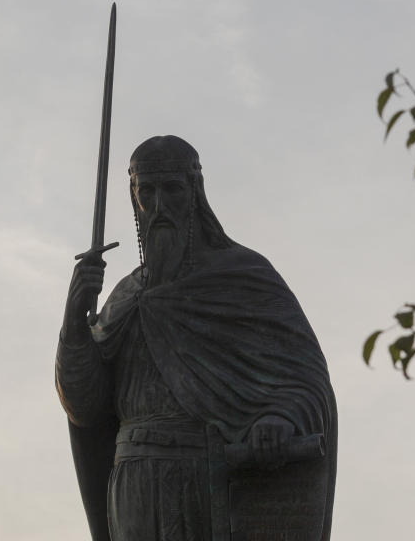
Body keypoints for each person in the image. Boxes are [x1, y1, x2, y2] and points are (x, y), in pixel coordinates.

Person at [56, 136, 337, 541]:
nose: (160, 205)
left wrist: (279, 416)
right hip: (132, 485)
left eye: (172, 189)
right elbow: (84, 407)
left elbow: (306, 380)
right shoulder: (123, 297)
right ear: (133, 197)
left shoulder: (242, 277)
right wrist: (74, 315)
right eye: (147, 191)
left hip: (207, 478)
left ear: (194, 192)